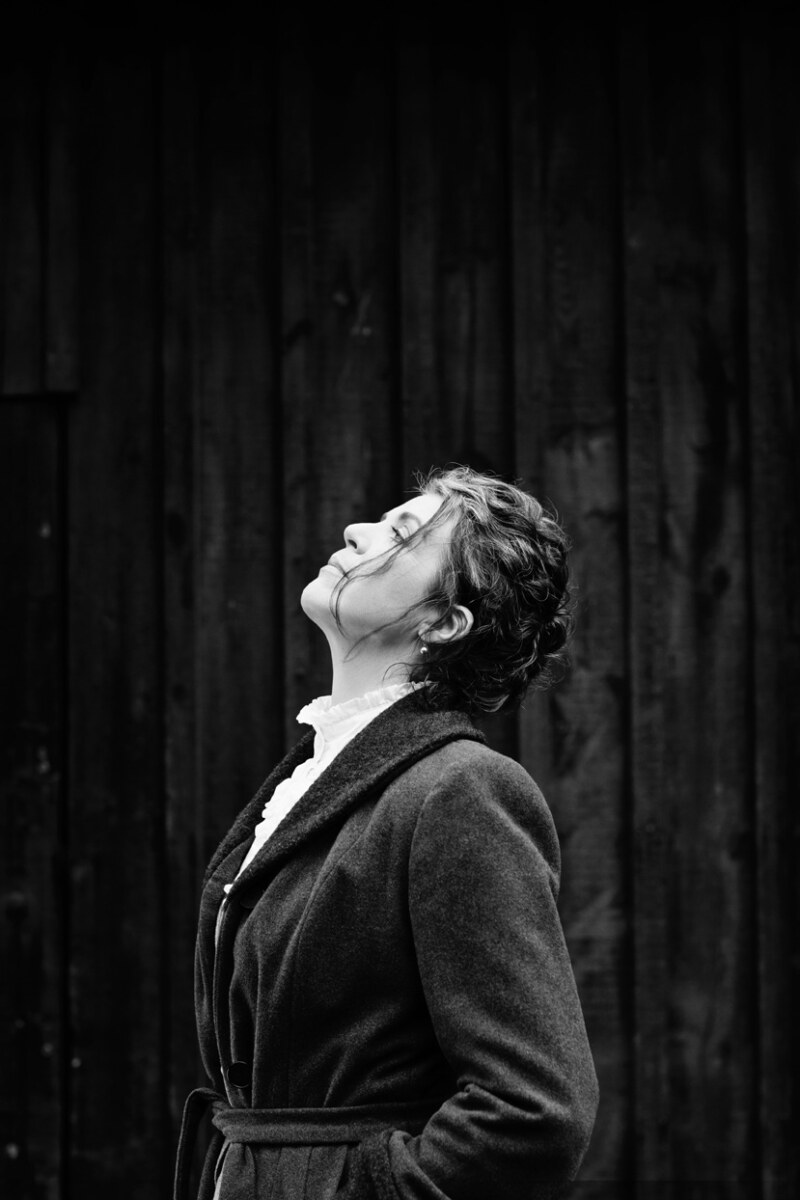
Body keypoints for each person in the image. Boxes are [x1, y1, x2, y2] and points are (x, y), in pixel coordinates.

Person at [174, 465, 599, 1200]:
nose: (355, 531)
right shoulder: (314, 777)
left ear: (443, 622)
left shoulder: (460, 789)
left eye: (402, 535)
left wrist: (355, 1186)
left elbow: (536, 1113)